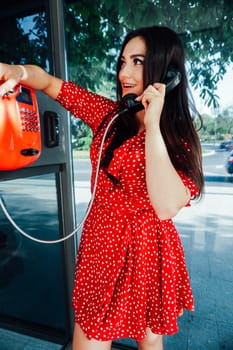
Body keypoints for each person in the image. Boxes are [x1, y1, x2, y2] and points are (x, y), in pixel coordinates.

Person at [0, 25, 204, 350]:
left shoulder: (177, 138)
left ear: (167, 72)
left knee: (150, 338)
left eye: (137, 61)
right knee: (91, 337)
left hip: (147, 248)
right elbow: (53, 85)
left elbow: (167, 205)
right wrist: (17, 71)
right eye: (123, 61)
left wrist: (152, 124)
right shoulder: (110, 116)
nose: (124, 72)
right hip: (102, 244)